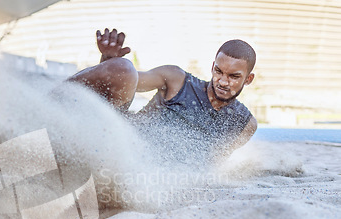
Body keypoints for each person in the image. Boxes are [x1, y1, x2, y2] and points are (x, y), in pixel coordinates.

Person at [68, 28, 258, 165]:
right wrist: (109, 60)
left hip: (153, 173)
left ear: (248, 79)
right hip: (122, 141)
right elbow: (123, 80)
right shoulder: (177, 79)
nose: (223, 82)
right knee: (123, 67)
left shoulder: (244, 123)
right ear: (212, 67)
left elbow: (213, 164)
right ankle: (49, 104)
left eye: (233, 77)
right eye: (219, 71)